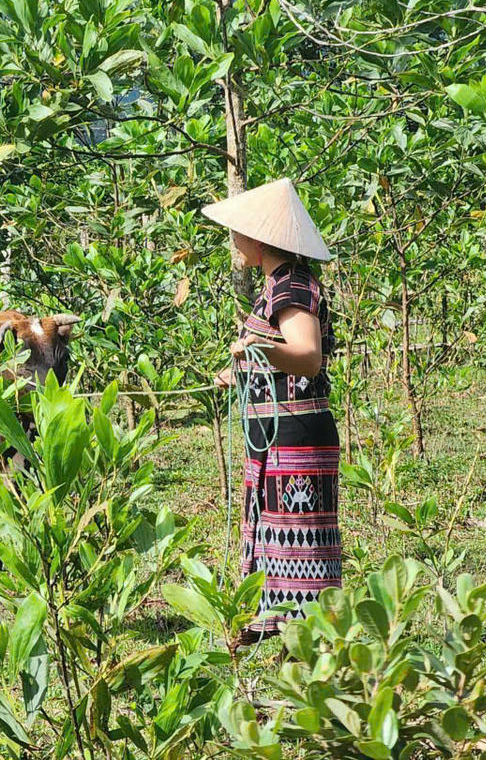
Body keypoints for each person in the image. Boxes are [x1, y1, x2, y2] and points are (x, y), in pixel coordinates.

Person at [203, 178, 340, 648]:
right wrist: (240, 367)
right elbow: (277, 354)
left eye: (238, 233)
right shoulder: (277, 286)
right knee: (280, 543)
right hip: (281, 438)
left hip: (296, 438)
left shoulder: (293, 287)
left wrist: (257, 349)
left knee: (301, 550)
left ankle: (308, 653)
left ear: (259, 239)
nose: (234, 242)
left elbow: (305, 354)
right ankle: (291, 646)